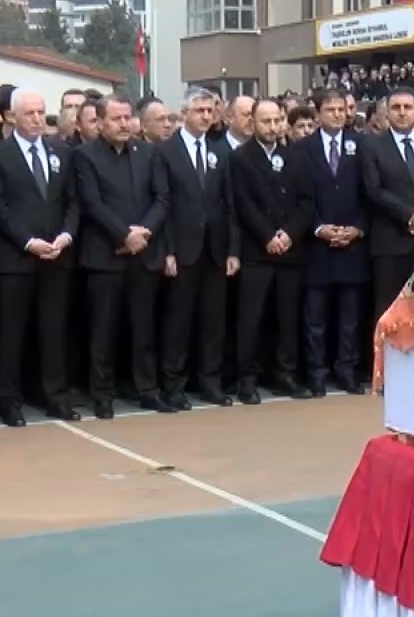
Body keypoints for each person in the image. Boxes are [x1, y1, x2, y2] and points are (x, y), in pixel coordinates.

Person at [0, 89, 80, 424]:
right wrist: (28, 242)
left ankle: (55, 395)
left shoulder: (61, 151)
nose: (38, 119)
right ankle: (7, 399)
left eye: (41, 112)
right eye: (30, 114)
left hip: (57, 256)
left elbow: (73, 200)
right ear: (12, 117)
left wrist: (66, 235)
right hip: (16, 259)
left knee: (53, 330)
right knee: (12, 333)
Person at [73, 94, 169, 418]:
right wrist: (123, 234)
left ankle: (147, 389)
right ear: (99, 122)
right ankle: (102, 393)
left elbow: (161, 198)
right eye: (116, 119)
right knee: (103, 330)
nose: (125, 124)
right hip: (105, 254)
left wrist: (142, 233)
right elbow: (91, 203)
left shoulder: (148, 153)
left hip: (143, 253)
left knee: (144, 328)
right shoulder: (84, 156)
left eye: (128, 117)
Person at [153, 87, 238, 408]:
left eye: (209, 110)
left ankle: (210, 382)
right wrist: (169, 251)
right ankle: (173, 384)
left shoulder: (221, 151)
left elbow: (229, 204)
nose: (206, 116)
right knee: (178, 321)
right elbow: (164, 204)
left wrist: (233, 250)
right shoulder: (165, 151)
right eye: (199, 111)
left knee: (213, 321)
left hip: (215, 249)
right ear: (184, 113)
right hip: (182, 249)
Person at [291, 89, 369, 396]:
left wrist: (357, 229)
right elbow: (298, 198)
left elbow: (370, 193)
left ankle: (347, 370)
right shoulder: (303, 149)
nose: (337, 114)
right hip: (316, 245)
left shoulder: (362, 145)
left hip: (353, 243)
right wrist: (318, 227)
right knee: (316, 317)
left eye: (341, 109)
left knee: (350, 316)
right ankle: (317, 372)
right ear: (318, 112)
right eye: (330, 109)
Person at [230, 99, 309, 403]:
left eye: (277, 120)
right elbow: (243, 203)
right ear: (253, 122)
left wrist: (289, 234)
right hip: (256, 251)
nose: (273, 127)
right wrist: (268, 236)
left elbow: (305, 202)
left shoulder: (296, 156)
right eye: (266, 121)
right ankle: (246, 379)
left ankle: (285, 373)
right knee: (251, 319)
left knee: (287, 318)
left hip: (290, 251)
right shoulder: (241, 158)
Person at [361, 87, 414, 322]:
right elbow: (374, 189)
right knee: (389, 312)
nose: (402, 113)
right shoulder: (372, 146)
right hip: (390, 243)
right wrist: (410, 216)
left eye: (408, 107)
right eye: (396, 107)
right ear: (386, 113)